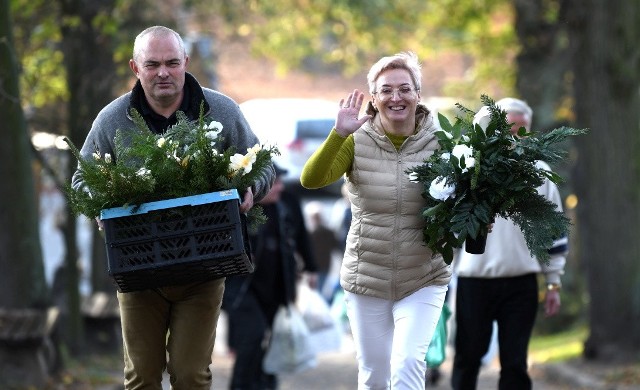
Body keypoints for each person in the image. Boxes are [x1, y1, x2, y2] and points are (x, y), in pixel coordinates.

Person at [71, 25, 274, 390]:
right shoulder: (113, 119)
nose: (162, 72)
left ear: (185, 63)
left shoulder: (222, 110)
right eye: (152, 65)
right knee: (142, 376)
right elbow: (81, 179)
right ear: (135, 68)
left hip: (205, 265)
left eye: (171, 63)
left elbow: (262, 164)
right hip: (138, 269)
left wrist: (250, 189)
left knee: (191, 375)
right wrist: (100, 204)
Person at [300, 51, 451, 390]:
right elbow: (311, 180)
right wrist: (338, 134)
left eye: (404, 88)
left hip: (423, 275)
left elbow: (461, 200)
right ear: (374, 97)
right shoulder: (356, 138)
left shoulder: (442, 142)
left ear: (417, 94)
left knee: (409, 363)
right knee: (374, 376)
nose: (395, 97)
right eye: (386, 90)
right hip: (366, 276)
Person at [450, 97, 568, 390]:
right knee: (468, 358)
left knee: (515, 363)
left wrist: (553, 282)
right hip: (474, 280)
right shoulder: (470, 169)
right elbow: (448, 227)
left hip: (521, 282)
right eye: (507, 129)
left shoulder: (540, 174)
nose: (514, 138)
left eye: (521, 130)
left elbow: (554, 232)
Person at [222, 165, 318, 390]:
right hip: (242, 287)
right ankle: (242, 385)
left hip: (277, 284)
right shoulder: (239, 206)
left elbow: (302, 235)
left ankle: (265, 383)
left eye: (280, 183)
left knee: (273, 338)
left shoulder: (287, 204)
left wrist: (311, 268)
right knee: (253, 334)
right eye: (275, 184)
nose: (280, 189)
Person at [305, 201, 341, 300]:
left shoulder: (328, 232)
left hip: (323, 265)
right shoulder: (306, 232)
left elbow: (336, 246)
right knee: (312, 291)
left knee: (319, 290)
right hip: (310, 266)